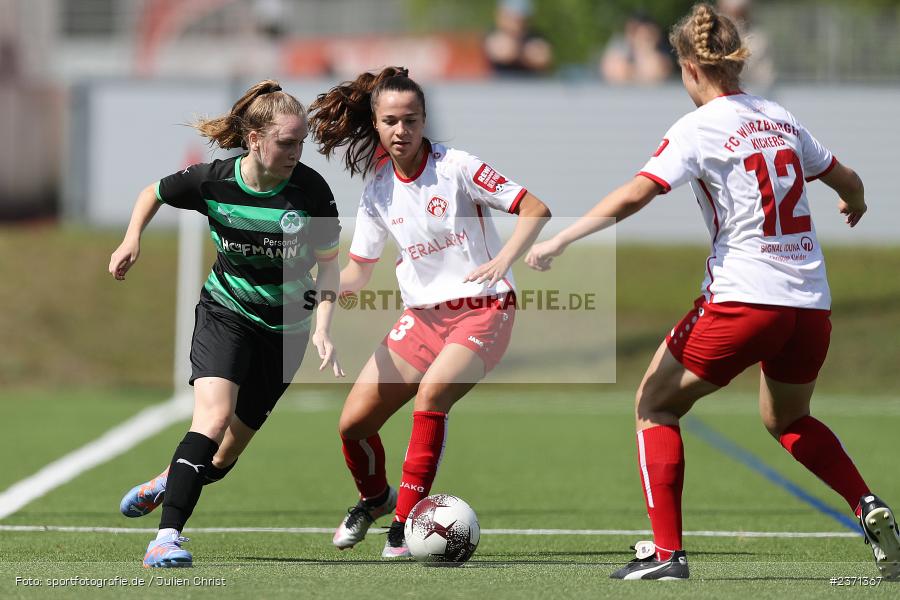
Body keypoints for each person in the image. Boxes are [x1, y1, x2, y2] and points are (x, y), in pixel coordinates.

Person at [527, 3, 900, 581]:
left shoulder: (697, 128)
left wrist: (565, 238)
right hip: (809, 306)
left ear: (689, 67)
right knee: (789, 419)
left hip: (744, 299)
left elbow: (636, 193)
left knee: (655, 403)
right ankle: (866, 503)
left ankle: (668, 555)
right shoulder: (778, 116)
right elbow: (847, 179)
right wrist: (855, 202)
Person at [308, 66, 551, 558]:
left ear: (424, 120)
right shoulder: (378, 187)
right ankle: (376, 500)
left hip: (485, 309)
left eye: (412, 120)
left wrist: (504, 260)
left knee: (431, 395)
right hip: (423, 319)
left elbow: (534, 208)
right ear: (376, 124)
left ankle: (404, 529)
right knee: (353, 425)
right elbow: (358, 271)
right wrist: (314, 290)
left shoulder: (458, 166)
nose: (403, 131)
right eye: (392, 121)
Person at [108, 80, 344, 568]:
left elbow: (330, 266)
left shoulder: (311, 191)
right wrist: (132, 238)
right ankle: (165, 538)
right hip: (227, 313)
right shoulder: (212, 180)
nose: (296, 152)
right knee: (211, 421)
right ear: (254, 139)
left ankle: (168, 481)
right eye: (286, 142)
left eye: (301, 143)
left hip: (288, 333)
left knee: (222, 457)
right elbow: (152, 191)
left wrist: (322, 324)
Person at [600, 11, 673, 85]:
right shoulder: (620, 45)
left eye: (647, 37)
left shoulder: (662, 53)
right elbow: (611, 69)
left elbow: (658, 70)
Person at [483, 0, 553, 75]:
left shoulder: (535, 36)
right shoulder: (491, 34)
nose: (516, 22)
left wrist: (517, 52)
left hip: (528, 85)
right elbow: (504, 52)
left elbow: (544, 58)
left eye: (519, 18)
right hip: (497, 85)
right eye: (511, 16)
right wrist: (526, 53)